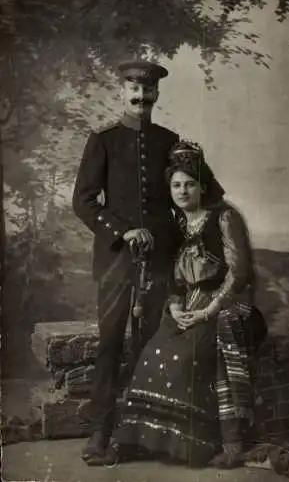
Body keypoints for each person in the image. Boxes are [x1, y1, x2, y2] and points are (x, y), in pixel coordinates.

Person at [101, 140, 267, 469]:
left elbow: (239, 272)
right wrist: (175, 306)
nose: (182, 190)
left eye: (189, 184)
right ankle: (140, 439)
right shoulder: (176, 224)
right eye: (176, 185)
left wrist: (208, 310)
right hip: (187, 305)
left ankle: (196, 444)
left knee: (187, 357)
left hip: (223, 306)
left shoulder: (224, 218)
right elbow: (174, 281)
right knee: (152, 354)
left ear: (203, 187)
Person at [72, 61, 180, 464]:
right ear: (122, 91)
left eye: (147, 89)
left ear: (156, 94)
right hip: (117, 258)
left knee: (152, 343)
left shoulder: (170, 141)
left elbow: (188, 195)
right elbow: (82, 201)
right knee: (111, 341)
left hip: (161, 259)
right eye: (133, 87)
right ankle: (101, 430)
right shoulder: (103, 139)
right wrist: (122, 231)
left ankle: (141, 430)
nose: (140, 95)